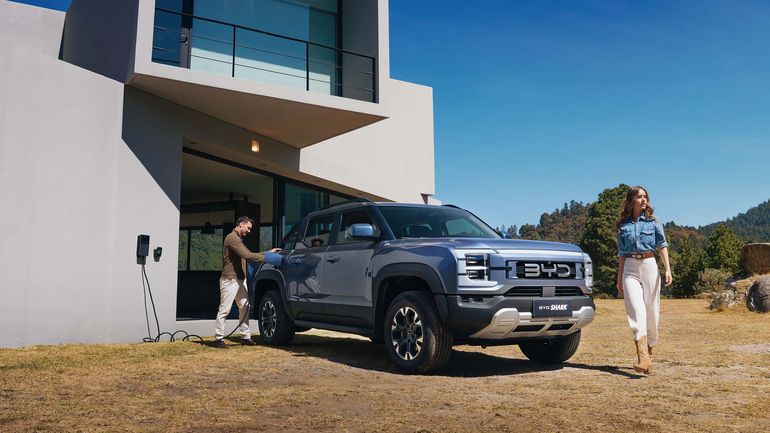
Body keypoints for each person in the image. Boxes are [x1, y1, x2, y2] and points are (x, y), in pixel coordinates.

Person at [616, 186, 672, 374]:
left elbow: (662, 245)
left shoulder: (654, 221)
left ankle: (649, 354)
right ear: (632, 200)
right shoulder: (623, 225)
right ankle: (642, 357)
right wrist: (619, 277)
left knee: (651, 312)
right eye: (639, 197)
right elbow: (622, 253)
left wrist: (667, 269)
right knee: (636, 310)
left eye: (645, 196)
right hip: (630, 268)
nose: (643, 199)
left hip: (649, 265)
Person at [215, 216, 281, 349]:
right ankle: (219, 339)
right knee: (225, 309)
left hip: (239, 280)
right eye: (248, 228)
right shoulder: (232, 238)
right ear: (241, 225)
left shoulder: (239, 240)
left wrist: (268, 252)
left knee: (245, 307)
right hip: (230, 279)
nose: (249, 231)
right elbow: (247, 256)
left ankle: (245, 337)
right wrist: (269, 257)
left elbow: (248, 253)